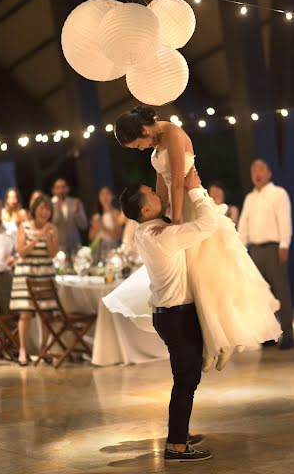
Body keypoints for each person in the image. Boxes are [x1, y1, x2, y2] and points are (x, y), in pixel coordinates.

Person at [109, 106, 281, 371]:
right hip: (176, 208)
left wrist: (175, 222)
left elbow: (178, 182)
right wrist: (160, 218)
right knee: (194, 281)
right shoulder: (156, 144)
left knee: (211, 276)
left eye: (138, 144)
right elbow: (162, 187)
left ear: (144, 130)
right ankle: (213, 341)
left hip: (192, 204)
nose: (141, 149)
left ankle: (226, 339)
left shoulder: (174, 135)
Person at [120, 167, 216, 461]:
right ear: (146, 208)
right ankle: (176, 445)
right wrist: (197, 189)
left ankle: (180, 431)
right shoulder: (165, 236)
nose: (156, 192)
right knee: (186, 379)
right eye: (151, 193)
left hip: (166, 314)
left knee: (185, 376)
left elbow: (163, 196)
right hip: (177, 316)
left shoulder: (143, 230)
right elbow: (209, 223)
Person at [237, 159, 294, 350]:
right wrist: (242, 250)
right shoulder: (250, 198)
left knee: (280, 292)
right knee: (259, 296)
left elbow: (284, 220)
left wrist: (284, 245)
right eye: (254, 170)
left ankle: (288, 334)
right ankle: (267, 335)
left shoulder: (278, 194)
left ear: (269, 173)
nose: (257, 173)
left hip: (273, 249)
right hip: (254, 251)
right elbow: (243, 226)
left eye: (261, 169)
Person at [10, 194, 59, 366]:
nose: (45, 212)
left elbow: (53, 253)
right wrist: (38, 237)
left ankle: (43, 348)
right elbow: (22, 252)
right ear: (35, 209)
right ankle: (22, 350)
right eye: (42, 208)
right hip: (26, 274)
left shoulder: (52, 228)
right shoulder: (24, 226)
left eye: (47, 209)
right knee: (25, 314)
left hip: (45, 274)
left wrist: (48, 236)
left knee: (46, 314)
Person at [51, 178, 87, 259]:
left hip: (75, 247)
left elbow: (84, 225)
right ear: (53, 190)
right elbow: (51, 226)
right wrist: (58, 211)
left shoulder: (75, 202)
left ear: (67, 189)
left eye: (63, 187)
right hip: (59, 249)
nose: (61, 190)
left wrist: (77, 213)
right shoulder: (50, 206)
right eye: (58, 187)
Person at [89, 186, 124, 256]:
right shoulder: (96, 216)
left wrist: (102, 227)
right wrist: (95, 228)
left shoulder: (116, 213)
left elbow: (119, 235)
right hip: (98, 248)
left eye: (107, 194)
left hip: (112, 248)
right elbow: (91, 237)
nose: (105, 197)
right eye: (102, 194)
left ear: (112, 196)